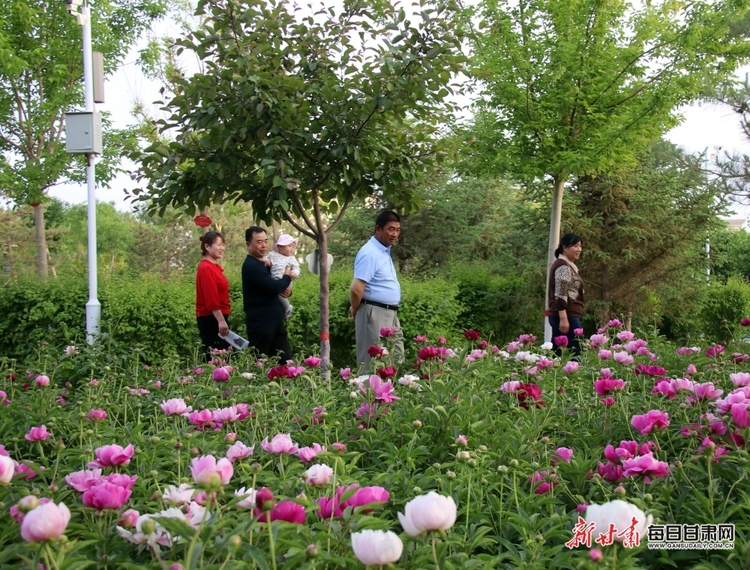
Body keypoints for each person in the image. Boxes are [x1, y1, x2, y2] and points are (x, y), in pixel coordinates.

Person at [349, 210, 404, 370]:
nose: (394, 234)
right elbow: (356, 289)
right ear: (378, 229)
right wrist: (355, 309)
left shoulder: (383, 252)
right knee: (373, 364)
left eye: (398, 230)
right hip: (374, 313)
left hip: (390, 314)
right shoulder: (370, 253)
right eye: (390, 229)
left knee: (396, 360)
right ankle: (367, 395)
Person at [242, 226, 294, 362]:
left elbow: (277, 287)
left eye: (266, 241)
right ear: (248, 244)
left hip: (275, 320)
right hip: (261, 323)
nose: (264, 245)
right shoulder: (251, 266)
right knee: (259, 362)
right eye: (259, 242)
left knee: (284, 362)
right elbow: (273, 287)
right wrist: (287, 276)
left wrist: (287, 291)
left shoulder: (264, 264)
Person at [547, 232, 585, 357]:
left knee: (558, 353)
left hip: (567, 315)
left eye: (580, 246)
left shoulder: (567, 265)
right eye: (575, 246)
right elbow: (561, 294)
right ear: (565, 247)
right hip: (566, 315)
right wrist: (564, 319)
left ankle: (552, 374)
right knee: (577, 352)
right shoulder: (563, 266)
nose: (579, 249)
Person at [195, 231, 231, 357]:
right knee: (215, 355)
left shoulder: (214, 267)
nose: (222, 248)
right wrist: (220, 320)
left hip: (219, 316)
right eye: (219, 244)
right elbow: (211, 297)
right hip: (212, 318)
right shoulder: (206, 268)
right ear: (207, 246)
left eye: (223, 245)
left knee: (224, 355)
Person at [265, 234, 301, 318]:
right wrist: (266, 261)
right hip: (275, 280)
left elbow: (297, 268)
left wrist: (294, 273)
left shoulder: (291, 258)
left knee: (280, 293)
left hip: (287, 280)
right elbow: (265, 258)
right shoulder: (273, 254)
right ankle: (287, 307)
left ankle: (287, 307)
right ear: (280, 247)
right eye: (289, 246)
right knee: (278, 293)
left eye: (293, 247)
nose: (292, 248)